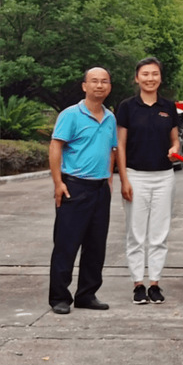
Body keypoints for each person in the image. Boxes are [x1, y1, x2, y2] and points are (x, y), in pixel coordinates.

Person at [48, 67, 117, 315]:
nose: (99, 85)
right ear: (84, 86)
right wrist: (58, 183)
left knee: (96, 246)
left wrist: (109, 180)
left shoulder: (110, 118)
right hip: (75, 187)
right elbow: (56, 147)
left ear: (109, 87)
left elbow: (111, 150)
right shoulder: (70, 115)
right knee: (66, 244)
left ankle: (87, 294)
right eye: (94, 81)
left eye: (104, 81)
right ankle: (59, 297)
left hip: (100, 188)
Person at [116, 57, 181, 305]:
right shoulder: (127, 107)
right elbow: (120, 145)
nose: (150, 78)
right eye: (145, 74)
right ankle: (138, 284)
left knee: (159, 233)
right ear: (137, 78)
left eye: (154, 74)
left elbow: (174, 139)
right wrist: (124, 179)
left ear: (160, 78)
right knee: (135, 233)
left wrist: (175, 149)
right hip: (135, 175)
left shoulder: (168, 107)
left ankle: (154, 283)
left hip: (164, 177)